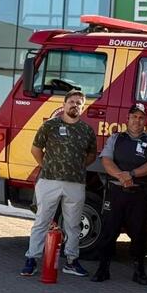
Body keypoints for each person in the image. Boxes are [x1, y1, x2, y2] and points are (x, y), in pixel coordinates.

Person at [21, 90, 97, 277]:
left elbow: (91, 156)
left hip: (75, 184)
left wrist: (76, 168)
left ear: (83, 107)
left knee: (73, 225)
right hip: (49, 181)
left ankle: (71, 261)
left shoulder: (87, 130)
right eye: (71, 101)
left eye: (79, 103)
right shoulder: (50, 126)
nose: (75, 105)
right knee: (42, 221)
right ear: (64, 104)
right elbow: (36, 149)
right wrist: (46, 166)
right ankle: (31, 259)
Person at [92, 103, 147, 285]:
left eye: (140, 117)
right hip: (116, 191)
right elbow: (106, 160)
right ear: (127, 119)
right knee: (109, 231)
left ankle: (139, 271)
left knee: (139, 234)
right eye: (134, 117)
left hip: (138, 193)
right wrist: (121, 177)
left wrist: (131, 175)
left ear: (145, 120)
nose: (137, 121)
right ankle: (103, 269)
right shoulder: (116, 138)